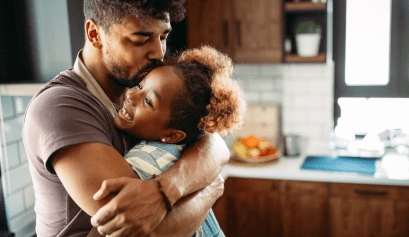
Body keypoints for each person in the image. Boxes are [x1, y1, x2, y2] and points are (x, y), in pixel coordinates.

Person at [22, 0, 231, 236]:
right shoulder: (59, 106)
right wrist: (209, 189)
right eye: (140, 40)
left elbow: (213, 143)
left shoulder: (137, 89)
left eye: (163, 37)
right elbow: (145, 231)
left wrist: (170, 188)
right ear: (94, 34)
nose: (159, 53)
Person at [89, 45, 246, 236]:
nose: (130, 95)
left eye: (148, 101)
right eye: (140, 85)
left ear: (172, 136)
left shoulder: (146, 160)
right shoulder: (186, 147)